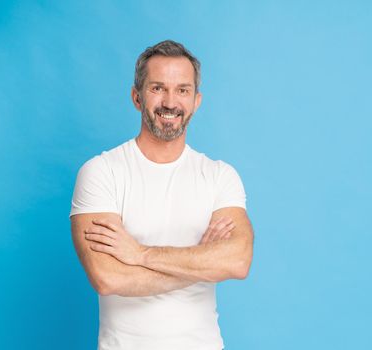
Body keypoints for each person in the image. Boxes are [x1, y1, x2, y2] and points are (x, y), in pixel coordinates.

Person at [69, 40, 254, 350]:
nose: (170, 102)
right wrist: (201, 262)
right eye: (158, 88)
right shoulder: (102, 172)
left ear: (196, 101)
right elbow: (108, 277)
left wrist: (141, 254)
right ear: (136, 97)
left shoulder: (220, 176)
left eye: (182, 90)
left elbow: (237, 260)